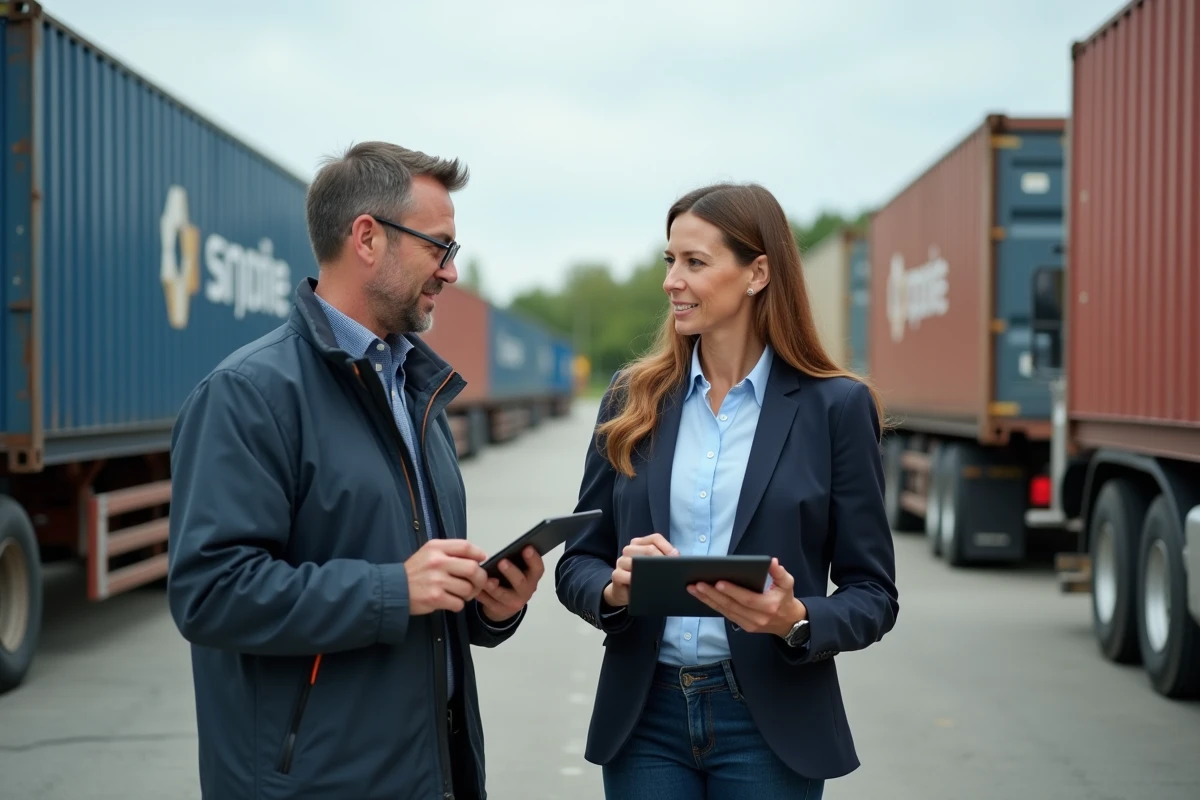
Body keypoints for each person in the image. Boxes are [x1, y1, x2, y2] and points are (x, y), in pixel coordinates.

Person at [166, 141, 545, 800]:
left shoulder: (414, 388)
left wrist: (486, 609)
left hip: (432, 772)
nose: (452, 273)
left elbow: (415, 582)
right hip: (316, 782)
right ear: (368, 238)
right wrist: (394, 590)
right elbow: (211, 593)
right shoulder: (250, 395)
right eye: (440, 248)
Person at [555, 183, 900, 798]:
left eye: (695, 262)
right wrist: (613, 589)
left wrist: (796, 619)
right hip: (645, 720)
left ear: (757, 273)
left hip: (770, 725)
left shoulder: (836, 408)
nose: (672, 281)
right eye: (670, 262)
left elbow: (873, 594)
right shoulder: (632, 398)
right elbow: (578, 560)